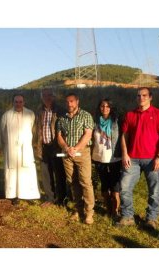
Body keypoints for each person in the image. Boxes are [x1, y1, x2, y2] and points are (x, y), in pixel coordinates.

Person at [116, 87, 159, 230]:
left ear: (150, 97)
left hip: (153, 159)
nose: (141, 98)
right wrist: (125, 154)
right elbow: (124, 136)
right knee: (125, 187)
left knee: (154, 190)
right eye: (138, 95)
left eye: (144, 95)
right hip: (132, 158)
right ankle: (127, 216)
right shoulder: (130, 115)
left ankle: (151, 218)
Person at [57, 92, 95, 224]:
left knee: (85, 182)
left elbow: (88, 135)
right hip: (67, 154)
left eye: (72, 101)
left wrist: (76, 148)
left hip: (82, 153)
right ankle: (78, 210)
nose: (69, 104)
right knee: (73, 182)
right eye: (67, 102)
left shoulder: (86, 115)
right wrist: (67, 148)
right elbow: (59, 136)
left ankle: (89, 212)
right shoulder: (62, 118)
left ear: (77, 102)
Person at [1, 94, 40, 205]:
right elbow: (3, 132)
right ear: (13, 102)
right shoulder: (6, 115)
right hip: (12, 148)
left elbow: (32, 129)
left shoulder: (30, 114)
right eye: (16, 102)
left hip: (25, 148)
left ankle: (29, 194)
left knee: (27, 171)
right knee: (13, 173)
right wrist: (7, 144)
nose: (18, 104)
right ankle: (14, 196)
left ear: (24, 102)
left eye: (20, 101)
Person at [33, 88, 67, 207]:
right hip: (43, 146)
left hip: (56, 146)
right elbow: (36, 128)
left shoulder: (60, 110)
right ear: (41, 97)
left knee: (59, 174)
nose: (47, 97)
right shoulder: (38, 110)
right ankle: (50, 198)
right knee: (46, 174)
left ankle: (62, 198)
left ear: (53, 96)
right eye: (44, 95)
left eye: (49, 95)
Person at [91, 98, 122, 218]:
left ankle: (116, 211)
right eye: (102, 106)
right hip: (99, 157)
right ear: (99, 107)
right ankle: (108, 209)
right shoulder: (95, 121)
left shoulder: (116, 121)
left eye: (107, 106)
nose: (105, 108)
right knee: (104, 185)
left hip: (114, 158)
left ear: (111, 108)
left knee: (115, 186)